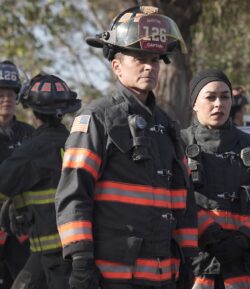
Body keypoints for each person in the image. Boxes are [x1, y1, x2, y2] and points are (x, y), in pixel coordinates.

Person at [54, 6, 198, 289]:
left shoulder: (166, 126)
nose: (150, 66)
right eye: (140, 58)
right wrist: (81, 260)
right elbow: (74, 194)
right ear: (116, 66)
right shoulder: (97, 118)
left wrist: (189, 257)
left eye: (156, 59)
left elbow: (183, 200)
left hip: (164, 275)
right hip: (113, 277)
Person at [181, 69, 250, 289]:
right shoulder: (177, 146)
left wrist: (246, 239)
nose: (219, 104)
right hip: (196, 269)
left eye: (224, 96)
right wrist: (208, 233)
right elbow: (170, 197)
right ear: (194, 104)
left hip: (247, 270)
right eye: (210, 97)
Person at [0, 73, 81, 289]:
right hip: (77, 251)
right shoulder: (78, 144)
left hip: (52, 256)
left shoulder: (31, 151)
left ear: (34, 112)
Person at [0, 60, 33, 289]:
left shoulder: (30, 134)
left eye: (11, 94)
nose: (7, 100)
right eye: (1, 94)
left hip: (23, 230)